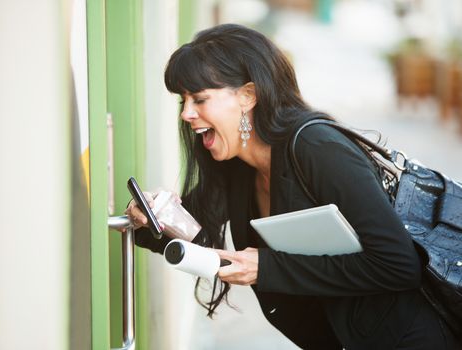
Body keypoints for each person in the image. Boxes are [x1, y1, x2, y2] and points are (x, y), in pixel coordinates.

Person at [126, 24, 459, 349]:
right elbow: (197, 230)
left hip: (406, 336)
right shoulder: (237, 167)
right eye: (182, 101)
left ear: (247, 96)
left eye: (199, 99)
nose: (186, 114)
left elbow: (398, 264)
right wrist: (153, 216)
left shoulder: (317, 148)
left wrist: (266, 267)